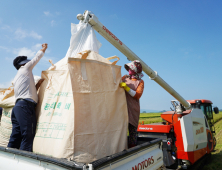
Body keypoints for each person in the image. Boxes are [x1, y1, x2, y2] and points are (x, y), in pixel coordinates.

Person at [7, 43, 48, 151]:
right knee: (28, 134)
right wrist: (43, 49)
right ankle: (25, 161)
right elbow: (36, 58)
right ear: (23, 64)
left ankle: (8, 157)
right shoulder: (25, 69)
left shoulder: (18, 77)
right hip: (25, 106)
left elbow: (27, 90)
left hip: (18, 107)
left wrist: (37, 86)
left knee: (16, 135)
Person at [119, 60, 144, 148]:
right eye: (129, 67)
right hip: (122, 107)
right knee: (121, 130)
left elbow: (137, 95)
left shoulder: (140, 82)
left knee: (132, 130)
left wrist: (126, 87)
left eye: (131, 68)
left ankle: (131, 149)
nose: (129, 69)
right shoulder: (125, 77)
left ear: (135, 70)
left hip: (133, 108)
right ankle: (121, 148)